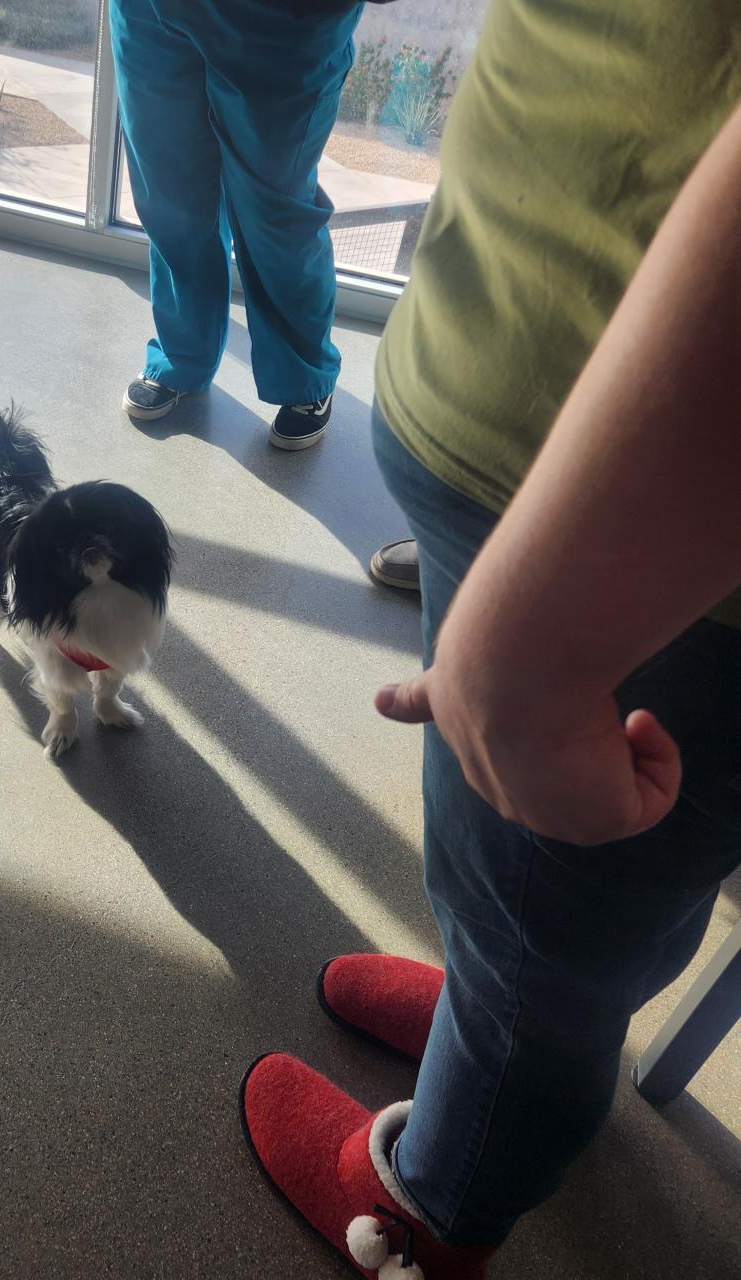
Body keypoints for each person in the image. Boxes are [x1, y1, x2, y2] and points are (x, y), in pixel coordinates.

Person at [240, 2, 741, 1276]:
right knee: (567, 913)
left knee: (547, 925)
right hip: (571, 473)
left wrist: (542, 641)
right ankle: (512, 1028)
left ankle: (430, 1206)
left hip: (645, 540)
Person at [110, 0, 375, 450]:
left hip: (277, 21)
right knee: (170, 193)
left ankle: (303, 378)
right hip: (150, 10)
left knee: (277, 212)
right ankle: (182, 354)